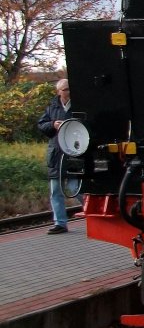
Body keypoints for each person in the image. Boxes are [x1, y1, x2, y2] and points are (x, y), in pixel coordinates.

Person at [37, 78, 81, 234]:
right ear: (59, 92)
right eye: (65, 90)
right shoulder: (52, 107)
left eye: (70, 89)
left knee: (75, 187)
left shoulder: (78, 105)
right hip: (56, 153)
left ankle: (92, 212)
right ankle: (60, 223)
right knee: (55, 189)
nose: (68, 92)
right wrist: (53, 124)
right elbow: (41, 125)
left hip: (74, 151)